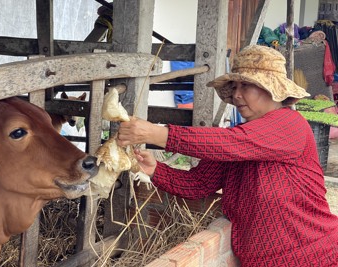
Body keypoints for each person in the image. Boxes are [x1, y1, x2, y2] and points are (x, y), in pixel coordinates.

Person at [116, 45, 338, 267]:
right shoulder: (239, 141)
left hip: (316, 256)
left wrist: (157, 134)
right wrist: (155, 169)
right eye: (235, 86)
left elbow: (231, 142)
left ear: (272, 88)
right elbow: (198, 184)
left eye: (246, 85)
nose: (236, 94)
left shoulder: (290, 125)